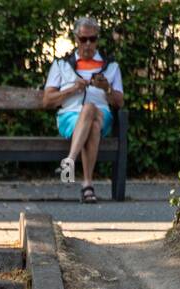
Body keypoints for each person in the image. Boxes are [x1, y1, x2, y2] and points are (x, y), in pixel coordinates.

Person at [42, 16, 124, 203]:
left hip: (103, 116)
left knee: (91, 110)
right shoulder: (61, 65)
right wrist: (73, 89)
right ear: (76, 39)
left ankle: (70, 161)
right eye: (83, 39)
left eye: (92, 39)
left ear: (97, 39)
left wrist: (107, 89)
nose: (88, 44)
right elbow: (47, 101)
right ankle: (87, 185)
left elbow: (120, 102)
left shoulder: (110, 66)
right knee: (91, 121)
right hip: (69, 118)